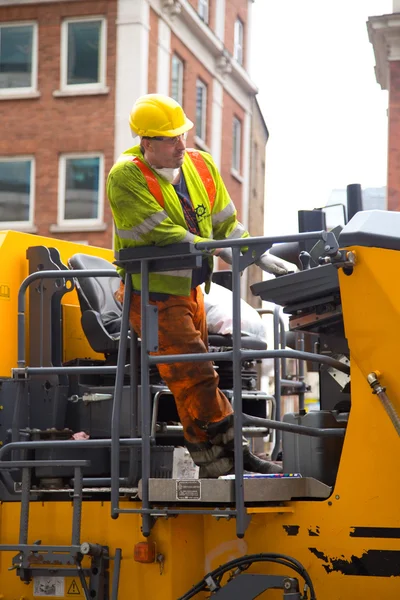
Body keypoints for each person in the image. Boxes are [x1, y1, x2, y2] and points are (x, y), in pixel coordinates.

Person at [107, 94, 287, 477]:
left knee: (191, 379)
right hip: (150, 295)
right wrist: (215, 247)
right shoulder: (126, 176)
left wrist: (259, 256)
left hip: (189, 291)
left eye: (182, 134)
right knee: (197, 374)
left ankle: (212, 461)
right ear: (146, 142)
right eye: (170, 139)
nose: (181, 145)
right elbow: (159, 232)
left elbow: (226, 222)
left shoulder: (200, 166)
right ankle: (232, 455)